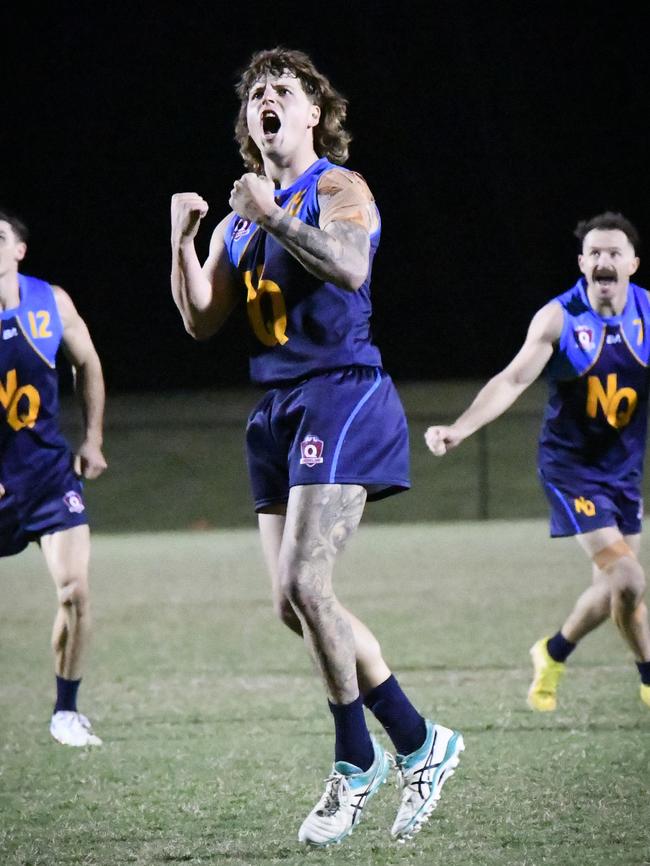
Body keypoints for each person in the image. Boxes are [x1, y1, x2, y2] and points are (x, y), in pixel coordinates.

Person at [170, 47, 463, 846]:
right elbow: (202, 319)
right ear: (249, 125)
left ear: (311, 115)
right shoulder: (240, 214)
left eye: (283, 91)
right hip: (277, 409)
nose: (266, 99)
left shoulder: (337, 185)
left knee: (307, 577)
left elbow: (350, 263)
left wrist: (271, 216)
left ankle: (354, 761)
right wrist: (184, 239)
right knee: (292, 602)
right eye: (255, 93)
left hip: (343, 390)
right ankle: (420, 741)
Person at [426, 211, 650, 713]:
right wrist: (459, 428)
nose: (603, 261)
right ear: (582, 263)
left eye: (614, 253)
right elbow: (510, 381)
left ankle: (551, 652)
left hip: (622, 472)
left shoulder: (649, 316)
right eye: (594, 253)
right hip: (570, 470)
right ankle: (649, 676)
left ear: (633, 264)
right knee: (630, 580)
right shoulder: (561, 318)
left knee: (616, 588)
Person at [0, 208, 107, 746]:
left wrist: (92, 439)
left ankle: (65, 712)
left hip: (46, 477)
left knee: (75, 591)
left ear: (19, 249)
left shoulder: (51, 301)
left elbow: (88, 362)